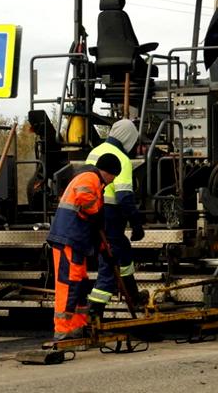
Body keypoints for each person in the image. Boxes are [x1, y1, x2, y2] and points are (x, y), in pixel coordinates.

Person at [47, 153, 122, 342]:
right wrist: (97, 210)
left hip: (76, 240)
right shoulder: (90, 177)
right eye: (113, 176)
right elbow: (85, 200)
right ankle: (63, 330)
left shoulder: (95, 181)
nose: (113, 180)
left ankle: (78, 326)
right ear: (108, 172)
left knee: (79, 282)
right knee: (68, 283)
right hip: (68, 238)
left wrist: (103, 249)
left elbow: (93, 222)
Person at [85, 119, 147, 322]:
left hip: (93, 212)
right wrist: (136, 223)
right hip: (111, 215)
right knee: (111, 259)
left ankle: (132, 293)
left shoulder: (94, 151)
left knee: (123, 249)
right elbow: (125, 197)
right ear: (129, 139)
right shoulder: (122, 158)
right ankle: (96, 308)